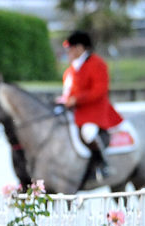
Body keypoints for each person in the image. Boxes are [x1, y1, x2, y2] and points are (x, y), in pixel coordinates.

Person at [58, 30, 122, 181]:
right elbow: (68, 92)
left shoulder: (97, 64)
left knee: (88, 133)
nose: (68, 52)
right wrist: (62, 100)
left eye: (70, 49)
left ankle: (102, 163)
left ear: (80, 48)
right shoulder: (71, 69)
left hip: (94, 111)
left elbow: (99, 90)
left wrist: (76, 99)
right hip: (73, 110)